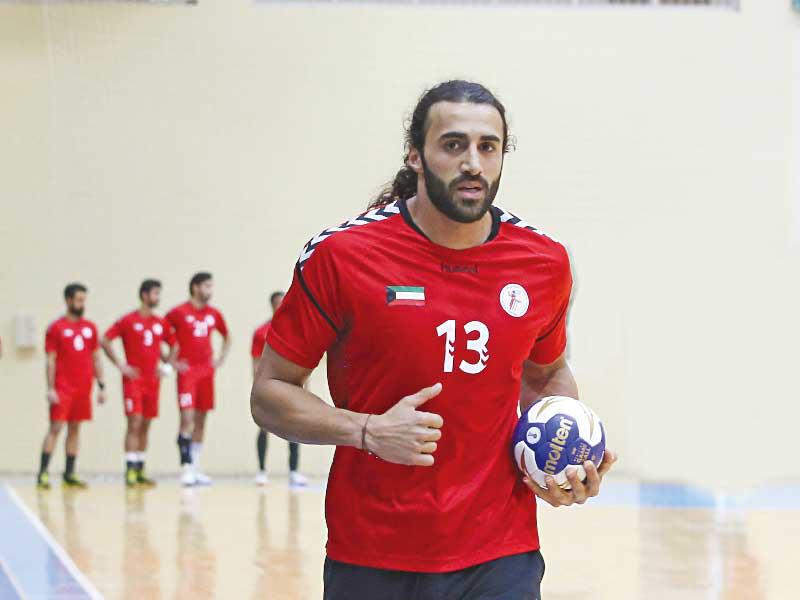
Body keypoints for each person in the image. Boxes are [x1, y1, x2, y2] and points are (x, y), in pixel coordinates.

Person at [251, 80, 618, 600]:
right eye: (453, 145)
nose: (473, 163)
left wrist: (558, 463)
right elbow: (270, 392)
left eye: (488, 147)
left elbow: (547, 373)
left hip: (500, 553)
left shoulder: (543, 262)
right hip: (373, 552)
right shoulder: (343, 255)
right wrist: (367, 431)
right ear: (415, 156)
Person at [102, 279, 175, 487]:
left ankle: (140, 469)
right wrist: (120, 365)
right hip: (133, 380)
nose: (158, 297)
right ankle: (130, 470)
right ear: (144, 295)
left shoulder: (160, 323)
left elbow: (175, 346)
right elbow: (105, 340)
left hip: (153, 381)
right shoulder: (128, 320)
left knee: (146, 424)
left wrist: (167, 367)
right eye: (155, 293)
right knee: (134, 422)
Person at [37, 283, 107, 489]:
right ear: (68, 300)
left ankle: (69, 473)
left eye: (84, 300)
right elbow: (50, 360)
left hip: (83, 388)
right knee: (56, 427)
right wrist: (51, 388)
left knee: (75, 429)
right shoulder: (56, 328)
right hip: (63, 387)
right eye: (78, 300)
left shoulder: (90, 327)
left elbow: (96, 358)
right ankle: (43, 472)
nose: (82, 304)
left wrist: (102, 385)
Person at [166, 272, 230, 486]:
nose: (210, 290)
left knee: (201, 420)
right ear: (195, 287)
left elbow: (227, 336)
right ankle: (185, 467)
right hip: (187, 374)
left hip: (206, 373)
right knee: (186, 419)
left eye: (211, 286)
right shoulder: (178, 312)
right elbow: (159, 333)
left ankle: (195, 466)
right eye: (206, 286)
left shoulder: (214, 314)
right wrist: (170, 361)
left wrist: (219, 359)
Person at [251, 291, 307, 487]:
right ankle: (261, 471)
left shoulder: (295, 330)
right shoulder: (261, 332)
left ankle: (293, 472)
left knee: (295, 426)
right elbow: (256, 362)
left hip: (292, 387)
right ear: (272, 305)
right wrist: (258, 386)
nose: (281, 306)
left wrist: (304, 388)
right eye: (278, 303)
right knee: (264, 427)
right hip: (270, 385)